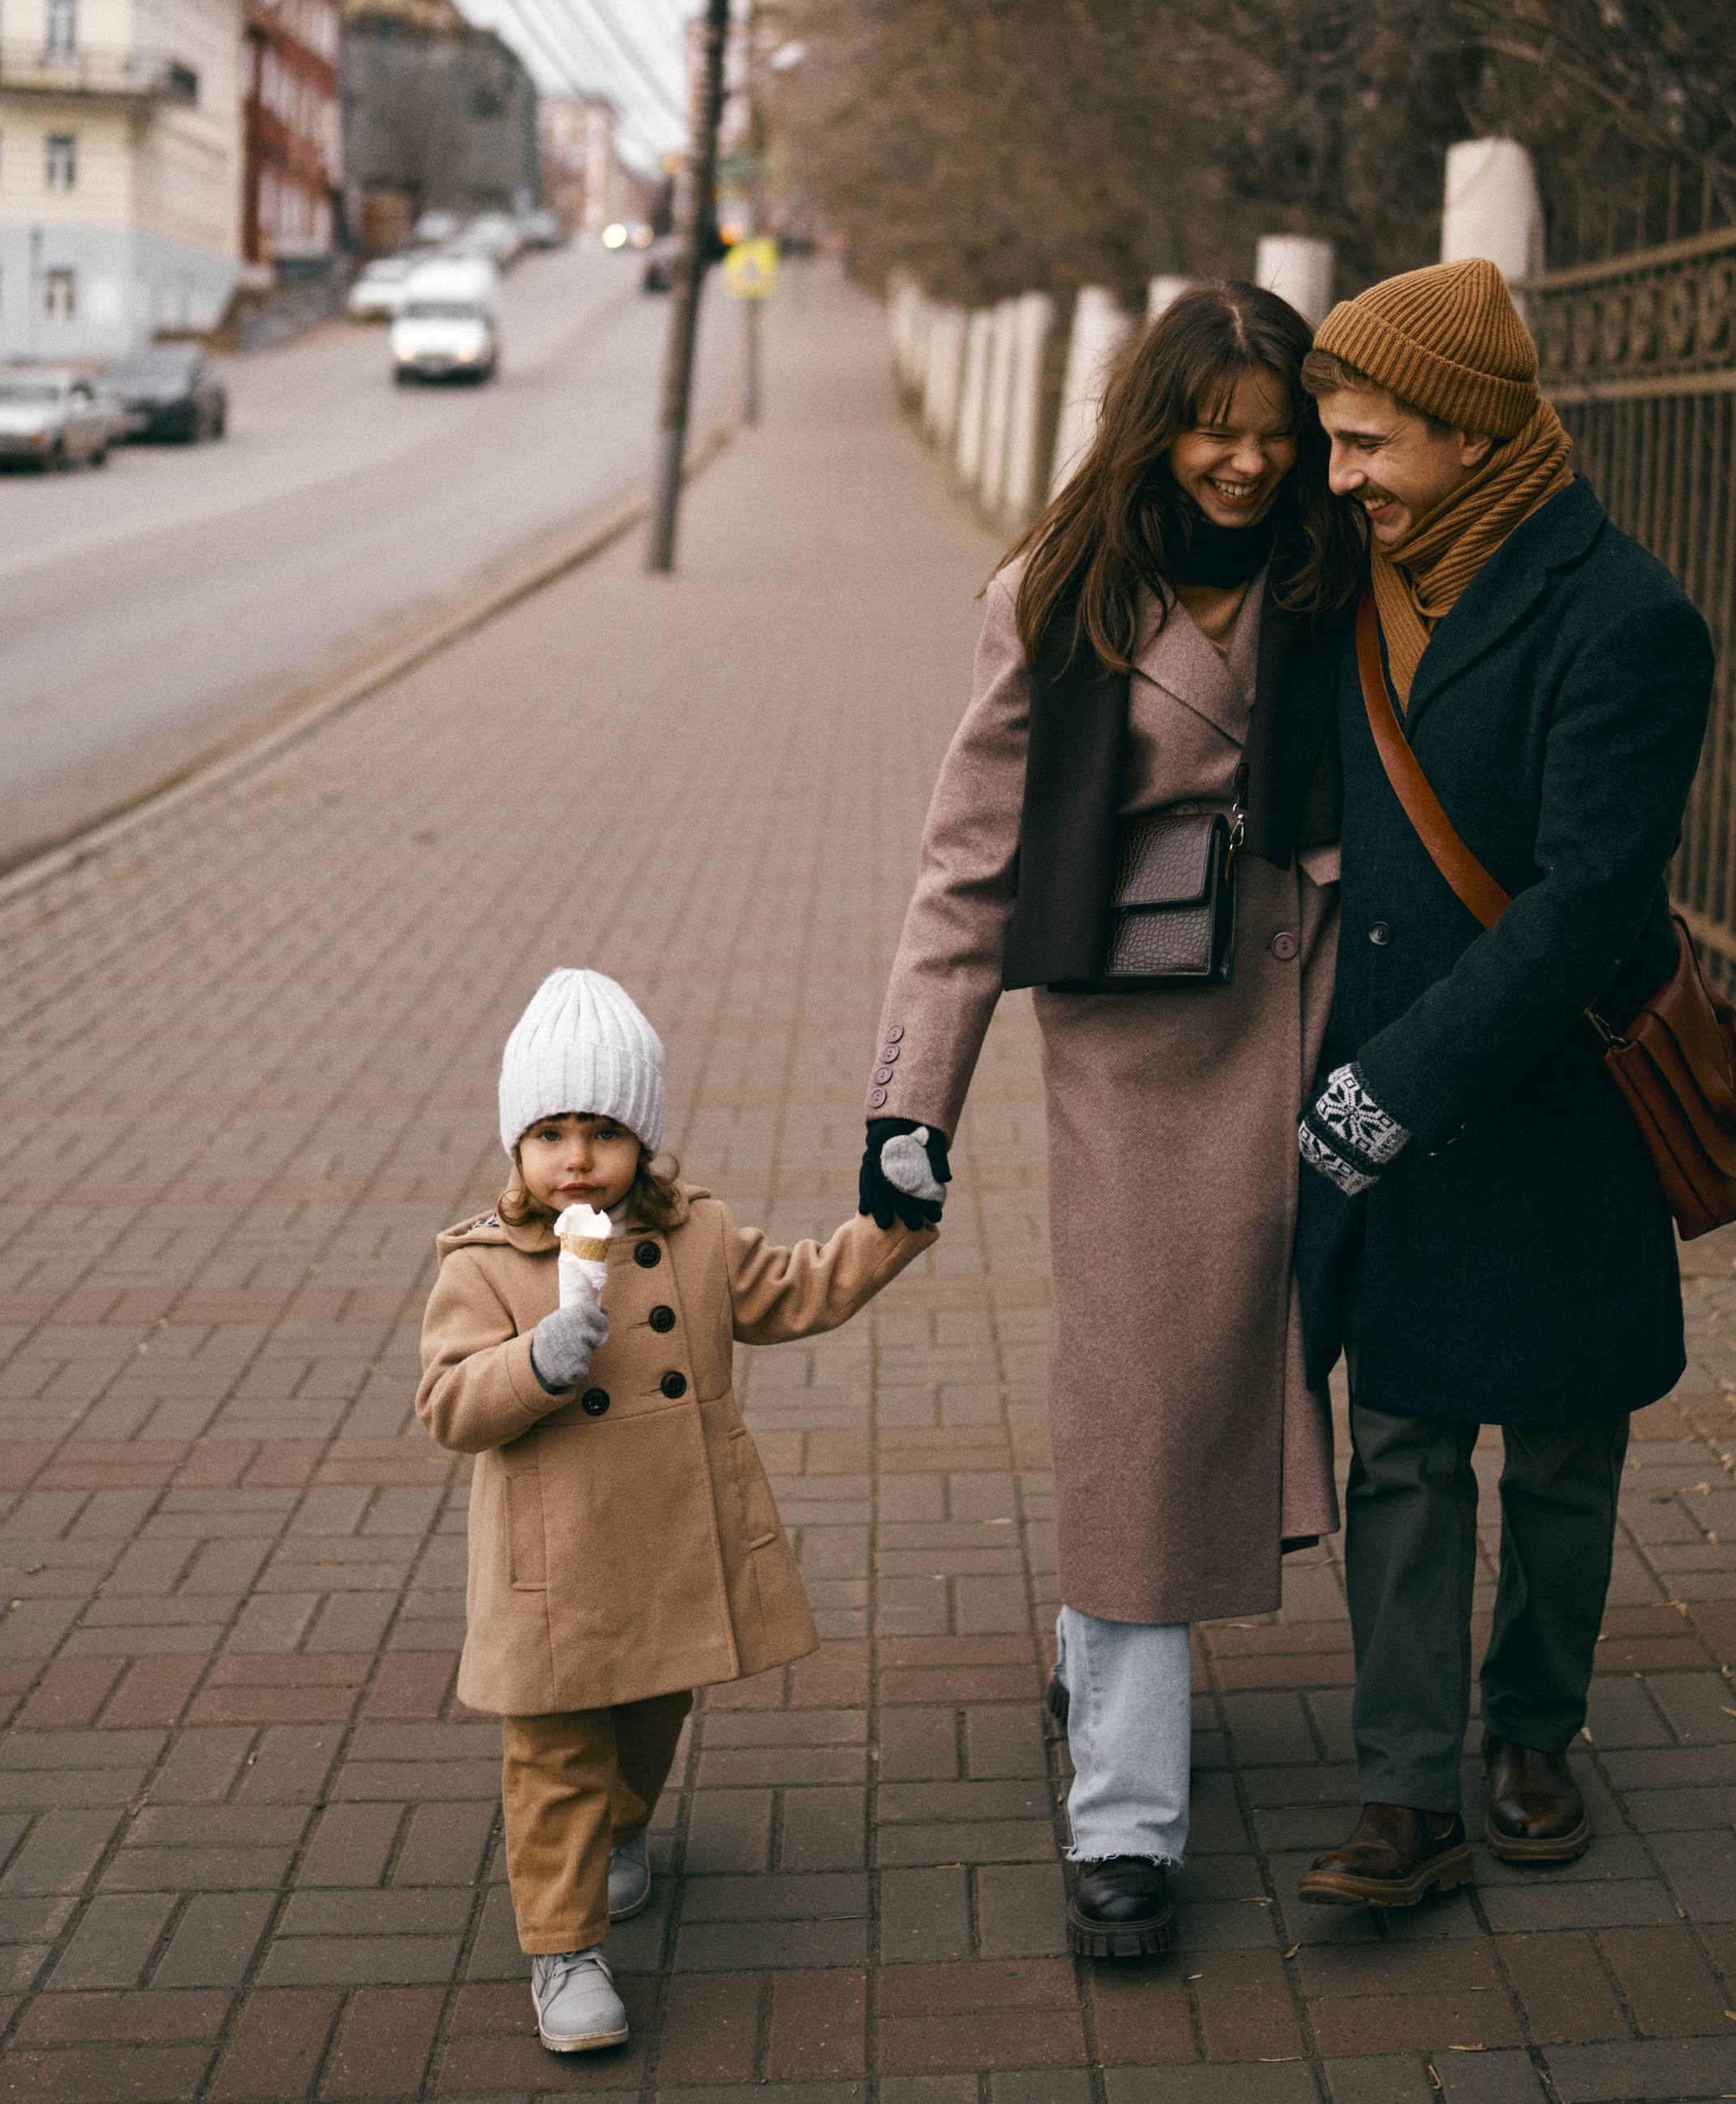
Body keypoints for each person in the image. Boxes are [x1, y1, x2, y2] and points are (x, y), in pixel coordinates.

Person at [862, 281, 1364, 1960]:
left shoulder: (1339, 567)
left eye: (1271, 423)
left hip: (1332, 1026)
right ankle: (1126, 1823)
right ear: (1153, 419)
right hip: (1142, 1052)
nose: (1245, 455)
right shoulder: (1056, 595)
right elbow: (967, 864)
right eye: (1213, 422)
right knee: (1143, 1405)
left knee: (1318, 1382)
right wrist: (904, 1112)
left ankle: (1102, 1665)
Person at [1286, 256, 1714, 1913]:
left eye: (1369, 443)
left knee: (1553, 1451)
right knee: (1395, 1445)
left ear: (1468, 433)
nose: (1343, 478)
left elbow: (1588, 900)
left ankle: (1531, 1729)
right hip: (1382, 1094)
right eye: (1331, 443)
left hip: (1541, 1105)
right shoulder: (1355, 577)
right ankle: (1404, 1788)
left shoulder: (1626, 617)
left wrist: (1399, 1078)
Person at [418, 966, 936, 2055]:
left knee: (653, 1711)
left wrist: (891, 1223)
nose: (574, 1158)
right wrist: (535, 1361)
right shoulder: (483, 1265)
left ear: (642, 1140)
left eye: (602, 1129)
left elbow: (794, 1289)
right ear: (515, 1146)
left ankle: (625, 1820)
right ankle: (564, 1949)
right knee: (556, 1749)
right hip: (552, 1571)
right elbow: (451, 1404)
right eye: (549, 1131)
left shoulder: (695, 1235)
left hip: (666, 1546)